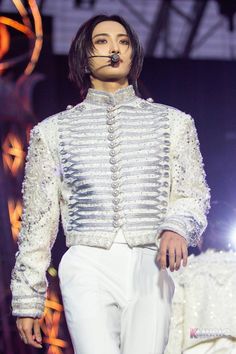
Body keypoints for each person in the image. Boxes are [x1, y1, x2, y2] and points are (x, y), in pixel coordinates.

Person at [10, 14, 210, 354]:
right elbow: (38, 222)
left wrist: (177, 227)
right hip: (86, 264)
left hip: (151, 262)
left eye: (124, 41)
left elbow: (193, 193)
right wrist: (28, 300)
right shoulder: (52, 132)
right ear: (84, 54)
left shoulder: (173, 123)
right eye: (102, 41)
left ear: (132, 55)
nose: (114, 48)